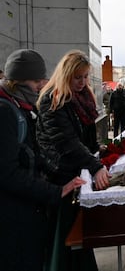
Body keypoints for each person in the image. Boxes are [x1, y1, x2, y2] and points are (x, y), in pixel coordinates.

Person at [0, 49, 85, 271]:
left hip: (26, 211)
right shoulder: (5, 113)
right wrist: (54, 191)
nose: (40, 85)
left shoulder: (20, 106)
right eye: (36, 80)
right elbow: (9, 174)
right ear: (18, 80)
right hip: (13, 220)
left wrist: (58, 184)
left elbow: (33, 155)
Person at [36, 50, 110, 271]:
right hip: (59, 174)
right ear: (66, 74)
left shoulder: (82, 96)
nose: (83, 82)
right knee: (65, 235)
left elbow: (85, 135)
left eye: (86, 76)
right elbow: (67, 142)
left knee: (78, 234)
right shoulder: (54, 99)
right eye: (78, 77)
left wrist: (97, 149)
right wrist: (95, 165)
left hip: (74, 170)